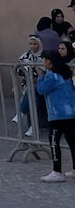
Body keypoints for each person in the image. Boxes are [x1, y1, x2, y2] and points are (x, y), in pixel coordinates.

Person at [35, 50, 75, 183]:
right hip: (70, 112)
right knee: (72, 142)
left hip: (57, 114)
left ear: (50, 62)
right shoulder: (67, 73)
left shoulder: (52, 76)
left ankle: (57, 171)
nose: (43, 62)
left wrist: (40, 76)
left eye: (45, 60)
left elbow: (41, 90)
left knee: (54, 141)